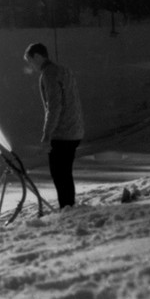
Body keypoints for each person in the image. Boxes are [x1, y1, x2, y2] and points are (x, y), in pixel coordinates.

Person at [24, 42, 85, 208]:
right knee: (65, 173)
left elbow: (54, 107)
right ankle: (68, 206)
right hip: (75, 131)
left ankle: (67, 208)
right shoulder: (64, 70)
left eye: (30, 60)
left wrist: (46, 135)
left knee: (59, 173)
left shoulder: (49, 74)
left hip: (62, 134)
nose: (31, 65)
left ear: (38, 56)